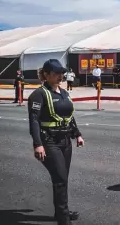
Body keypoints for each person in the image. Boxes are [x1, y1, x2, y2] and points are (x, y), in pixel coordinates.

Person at [27, 59, 85, 225]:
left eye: (61, 73)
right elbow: (34, 121)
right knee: (60, 178)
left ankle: (62, 211)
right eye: (56, 73)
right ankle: (63, 219)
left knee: (62, 178)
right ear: (46, 75)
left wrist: (78, 135)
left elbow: (69, 117)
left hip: (65, 141)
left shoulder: (64, 92)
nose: (60, 76)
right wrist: (37, 144)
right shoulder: (39, 94)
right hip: (49, 142)